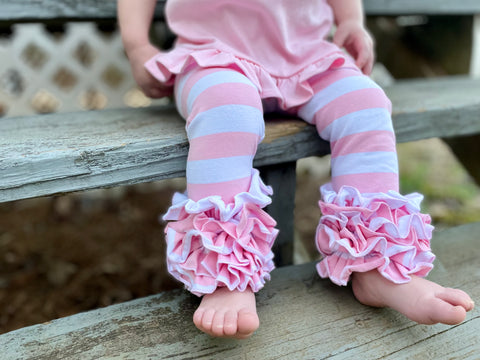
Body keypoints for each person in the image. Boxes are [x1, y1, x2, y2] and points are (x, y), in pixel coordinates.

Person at [118, 0, 475, 339]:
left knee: (365, 106)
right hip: (214, 54)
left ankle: (375, 265)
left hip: (308, 56)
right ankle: (225, 274)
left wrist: (350, 20)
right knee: (227, 114)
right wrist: (136, 45)